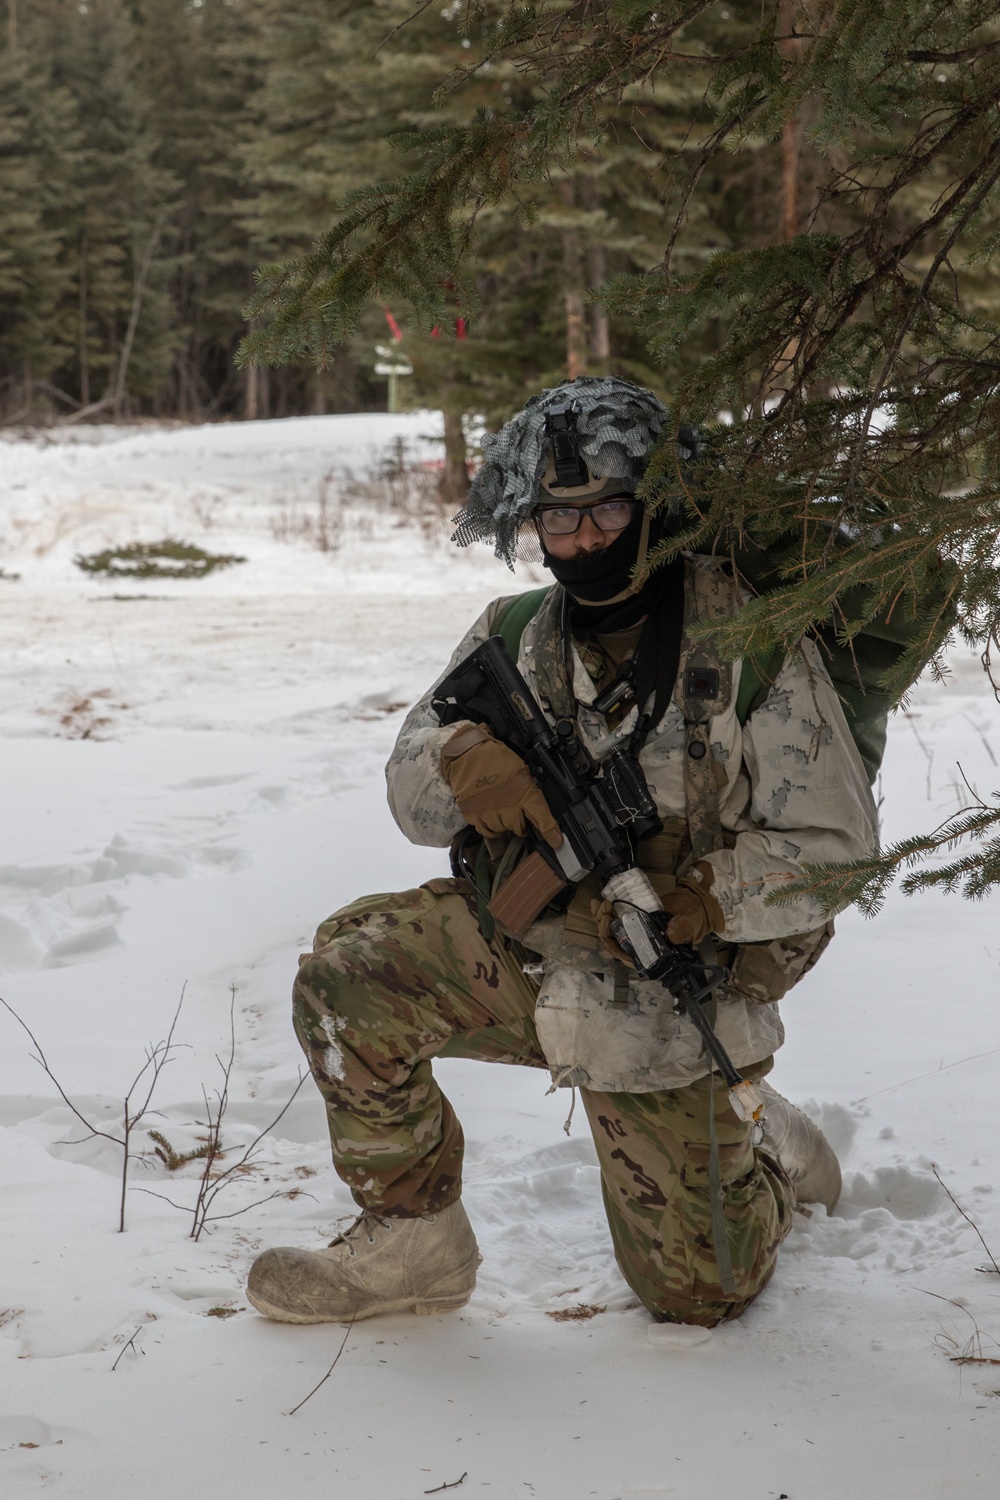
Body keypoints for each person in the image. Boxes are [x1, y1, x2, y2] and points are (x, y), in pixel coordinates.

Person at [247, 377, 878, 1328]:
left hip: (672, 983)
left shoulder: (746, 640)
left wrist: (709, 896)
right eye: (557, 519)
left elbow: (838, 853)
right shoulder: (514, 634)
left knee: (698, 1293)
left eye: (609, 511)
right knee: (350, 976)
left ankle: (766, 1146)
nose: (583, 541)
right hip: (535, 943)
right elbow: (409, 796)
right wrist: (458, 759)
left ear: (655, 509)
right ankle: (413, 1238)